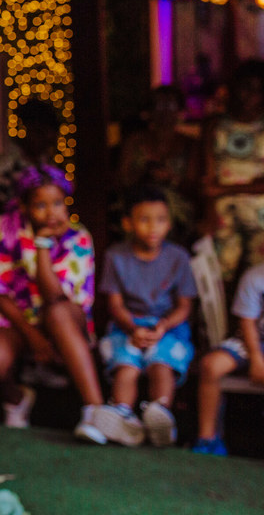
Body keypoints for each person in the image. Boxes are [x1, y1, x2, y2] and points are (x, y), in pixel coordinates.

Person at [0, 164, 107, 443]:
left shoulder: (78, 237)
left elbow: (55, 298)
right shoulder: (4, 229)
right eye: (40, 205)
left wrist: (43, 246)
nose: (51, 213)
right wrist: (32, 336)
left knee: (58, 312)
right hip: (19, 318)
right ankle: (17, 400)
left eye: (58, 203)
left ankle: (96, 413)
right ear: (23, 206)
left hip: (66, 321)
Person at [95, 185, 197, 447]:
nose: (153, 227)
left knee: (161, 364)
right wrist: (132, 328)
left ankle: (159, 414)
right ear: (128, 223)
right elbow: (115, 305)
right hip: (126, 325)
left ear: (169, 223)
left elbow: (184, 306)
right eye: (144, 219)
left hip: (168, 327)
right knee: (126, 366)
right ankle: (123, 416)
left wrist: (163, 326)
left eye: (161, 220)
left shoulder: (178, 257)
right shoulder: (115, 256)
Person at [201, 59, 264, 285]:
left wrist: (224, 188)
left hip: (260, 217)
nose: (249, 96)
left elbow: (215, 187)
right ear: (234, 88)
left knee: (258, 281)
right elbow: (208, 181)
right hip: (222, 213)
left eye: (258, 90)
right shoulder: (215, 126)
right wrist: (208, 215)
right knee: (219, 278)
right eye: (245, 87)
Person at [191, 261, 264, 455]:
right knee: (211, 365)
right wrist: (256, 359)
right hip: (253, 341)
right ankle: (207, 439)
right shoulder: (255, 276)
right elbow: (247, 323)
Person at [116, 85, 200, 244]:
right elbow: (122, 180)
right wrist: (144, 174)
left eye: (170, 106)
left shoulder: (190, 144)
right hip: (138, 203)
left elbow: (193, 187)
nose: (164, 112)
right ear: (149, 112)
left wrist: (171, 178)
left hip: (177, 210)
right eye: (159, 106)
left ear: (180, 110)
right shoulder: (135, 141)